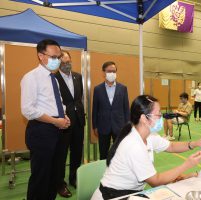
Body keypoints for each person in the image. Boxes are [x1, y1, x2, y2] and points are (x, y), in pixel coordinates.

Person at [91, 95, 201, 200]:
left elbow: (171, 146)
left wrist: (196, 143)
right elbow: (156, 181)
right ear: (144, 118)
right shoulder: (133, 144)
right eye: (158, 114)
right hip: (114, 195)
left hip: (131, 192)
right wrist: (187, 165)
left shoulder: (148, 135)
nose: (161, 117)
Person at [21, 39, 70, 200]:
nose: (57, 61)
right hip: (41, 131)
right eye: (54, 57)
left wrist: (64, 116)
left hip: (58, 131)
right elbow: (28, 110)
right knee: (40, 177)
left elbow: (58, 103)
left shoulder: (54, 79)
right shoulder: (31, 77)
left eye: (59, 57)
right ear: (41, 56)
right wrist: (56, 121)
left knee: (54, 176)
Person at [55, 50, 85, 197]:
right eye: (63, 63)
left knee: (77, 151)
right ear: (58, 63)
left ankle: (74, 177)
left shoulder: (78, 76)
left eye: (68, 62)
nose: (67, 65)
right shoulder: (54, 79)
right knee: (61, 154)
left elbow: (79, 98)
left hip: (78, 120)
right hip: (63, 123)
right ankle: (60, 184)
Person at [92, 61, 130, 160]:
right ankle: (104, 173)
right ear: (104, 72)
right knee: (103, 153)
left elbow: (126, 108)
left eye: (114, 71)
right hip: (103, 126)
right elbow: (95, 108)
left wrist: (128, 125)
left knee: (120, 152)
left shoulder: (123, 88)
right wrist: (94, 126)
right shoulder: (97, 89)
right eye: (109, 71)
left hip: (119, 126)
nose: (112, 73)